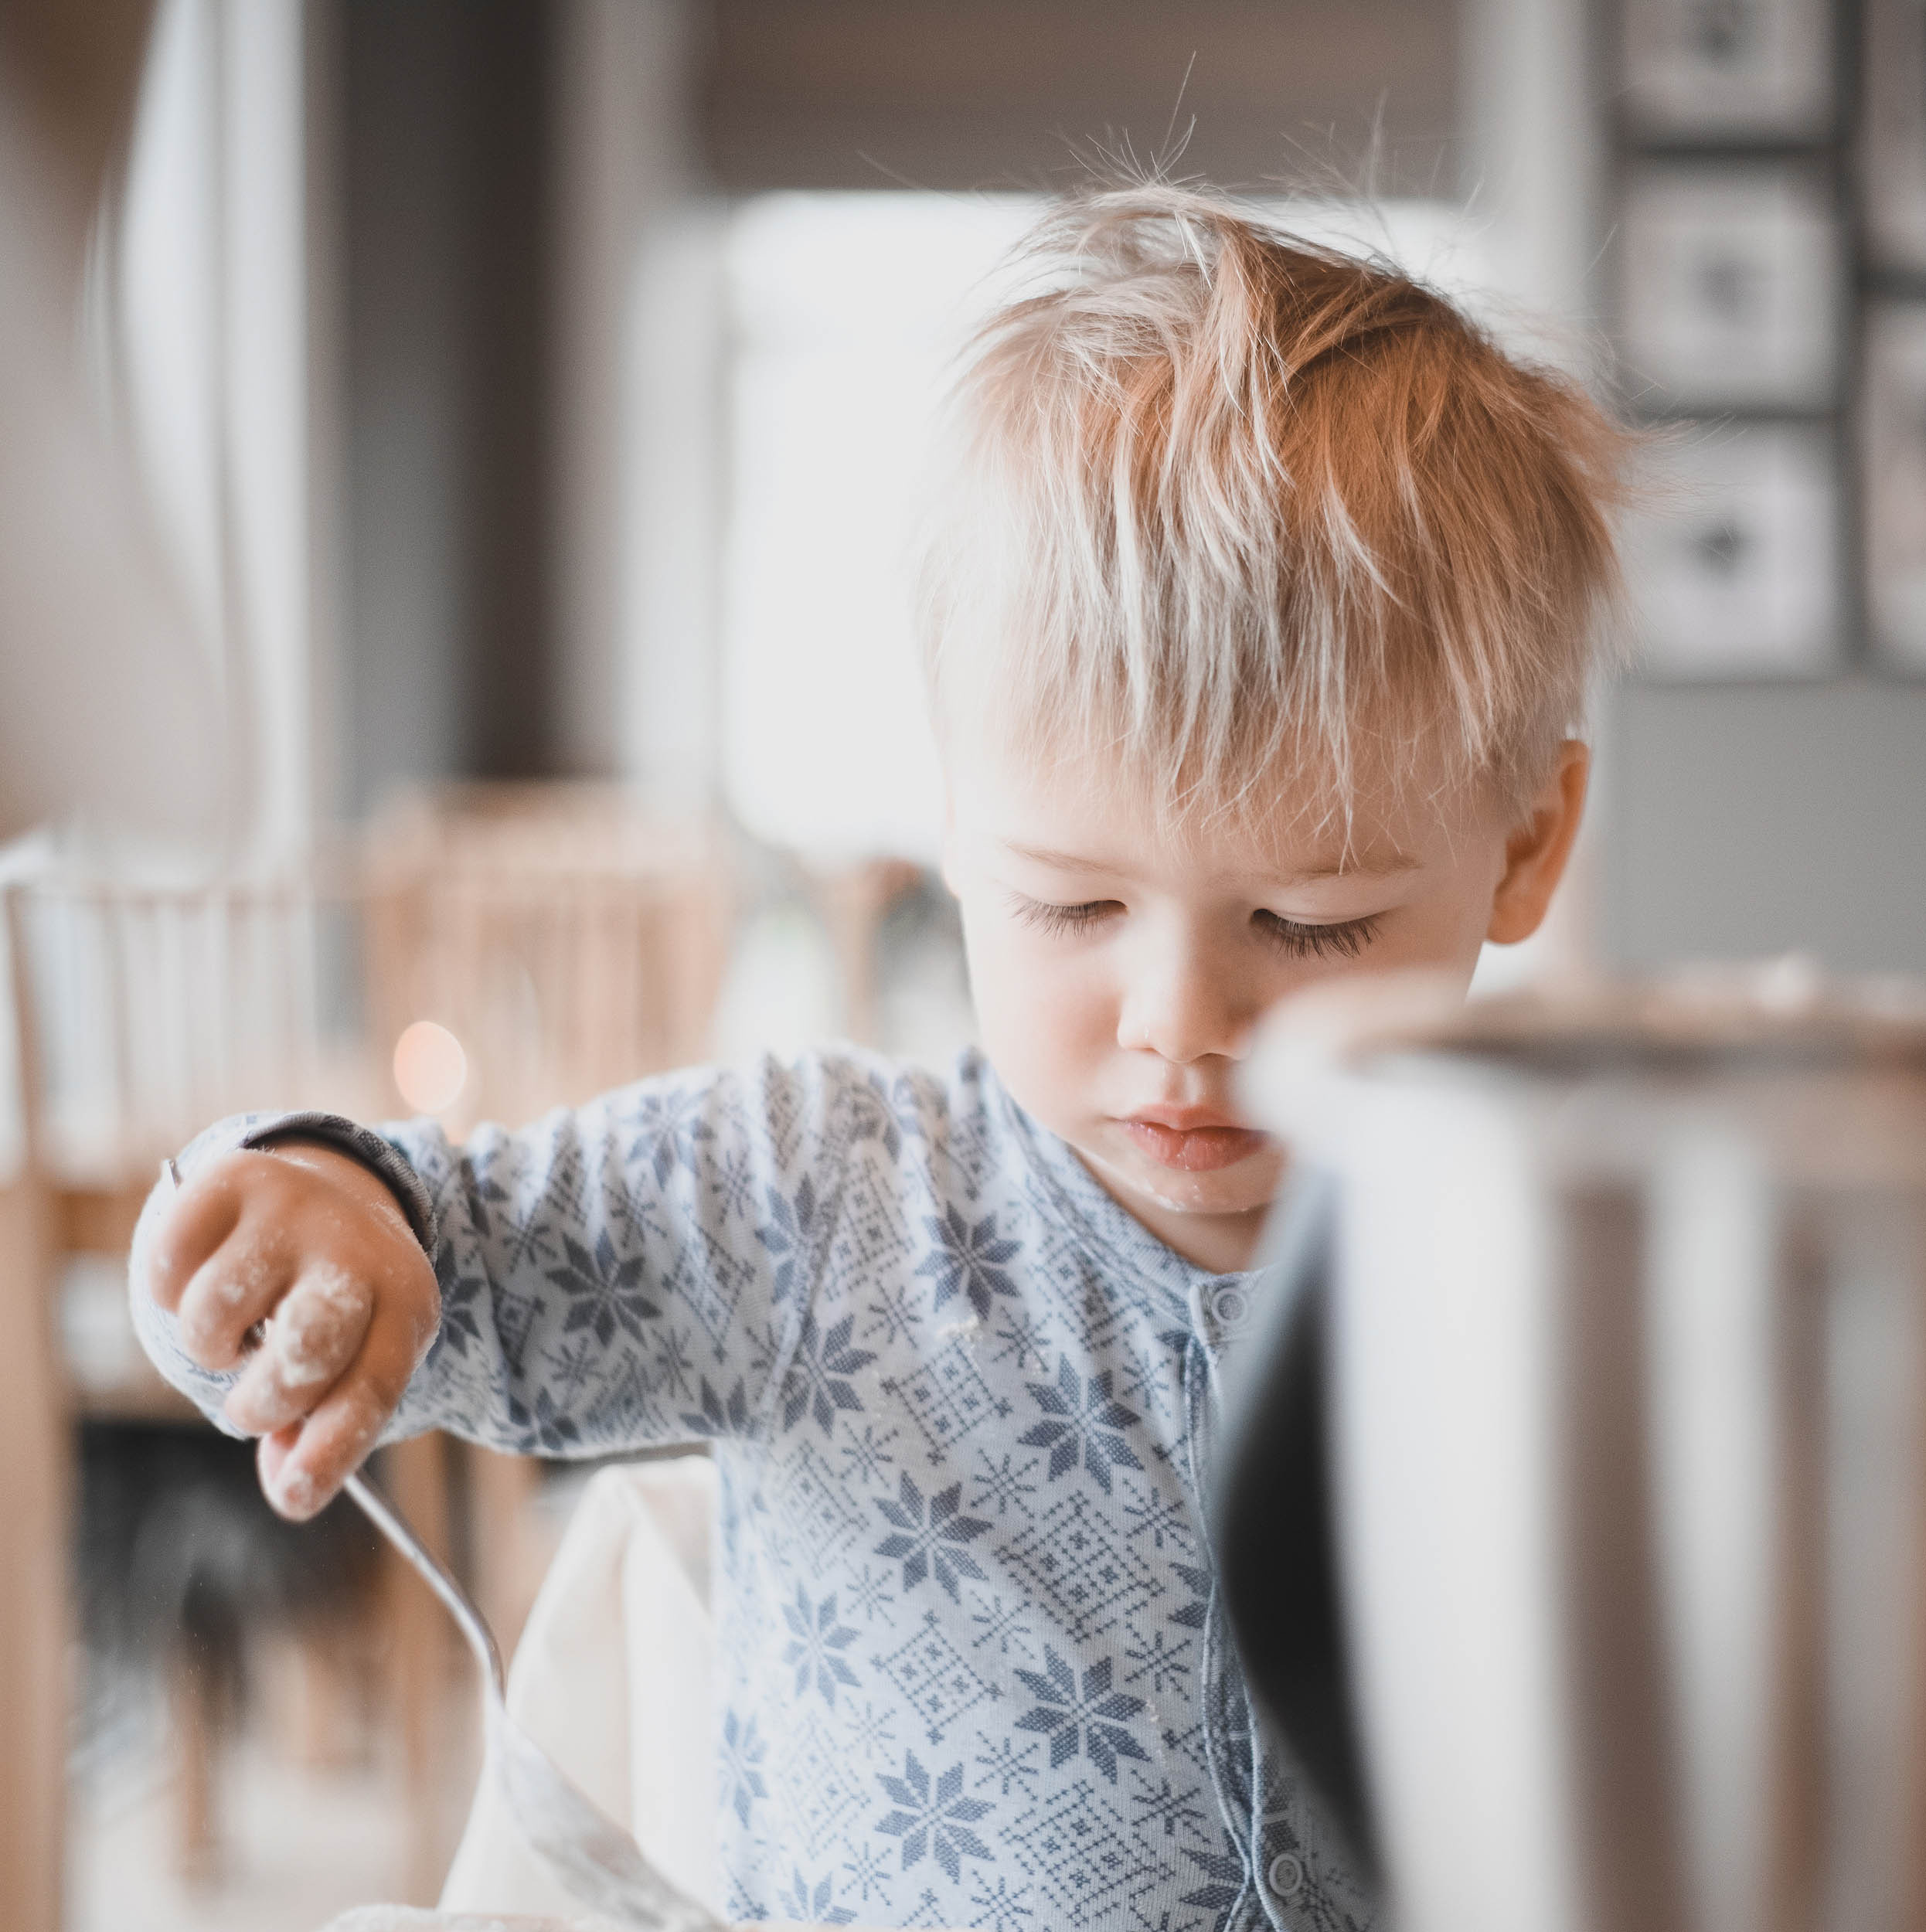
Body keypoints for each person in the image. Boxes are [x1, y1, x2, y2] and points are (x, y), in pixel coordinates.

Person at [130, 184, 1629, 1932]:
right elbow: (475, 1245)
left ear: (1525, 845)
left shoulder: (1558, 1245)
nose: (1176, 1022)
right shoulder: (813, 1192)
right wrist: (324, 1217)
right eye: (1070, 903)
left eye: (1307, 925)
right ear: (957, 818)